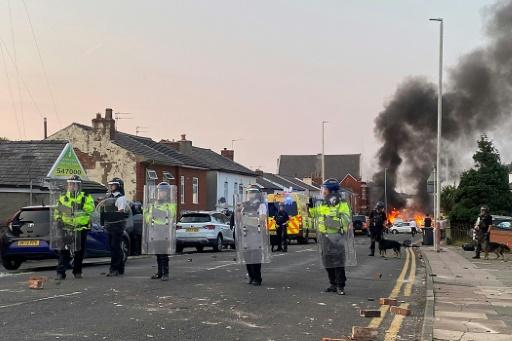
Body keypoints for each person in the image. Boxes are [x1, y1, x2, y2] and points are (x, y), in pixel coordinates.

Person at [309, 178, 354, 295]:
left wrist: (330, 222)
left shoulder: (342, 203)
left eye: (325, 189)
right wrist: (309, 205)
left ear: (331, 191)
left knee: (338, 262)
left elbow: (346, 220)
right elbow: (314, 214)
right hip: (324, 236)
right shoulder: (323, 202)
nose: (323, 191)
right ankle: (333, 284)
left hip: (336, 236)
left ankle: (340, 285)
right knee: (326, 261)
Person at [53, 175, 95, 280]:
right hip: (66, 228)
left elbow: (91, 209)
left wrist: (81, 205)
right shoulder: (63, 197)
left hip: (81, 228)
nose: (71, 186)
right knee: (64, 251)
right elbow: (58, 210)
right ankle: (60, 273)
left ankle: (77, 271)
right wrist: (58, 219)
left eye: (73, 184)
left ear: (78, 185)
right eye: (70, 184)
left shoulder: (85, 196)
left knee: (79, 252)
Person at [235, 186, 270, 286]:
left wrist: (251, 219)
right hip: (246, 233)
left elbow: (262, 219)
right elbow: (238, 219)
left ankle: (257, 278)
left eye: (252, 193)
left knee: (255, 256)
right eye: (249, 193)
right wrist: (237, 211)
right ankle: (251, 276)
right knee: (247, 256)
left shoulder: (261, 205)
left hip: (256, 233)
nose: (250, 195)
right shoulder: (244, 205)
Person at [144, 182, 177, 281]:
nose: (161, 194)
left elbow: (172, 215)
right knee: (158, 253)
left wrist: (159, 213)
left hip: (165, 231)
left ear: (167, 193)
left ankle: (165, 273)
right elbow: (147, 217)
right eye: (159, 192)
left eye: (163, 192)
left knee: (163, 253)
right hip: (155, 231)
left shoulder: (170, 204)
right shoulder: (152, 204)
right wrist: (149, 216)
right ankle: (159, 272)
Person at [101, 177, 129, 277]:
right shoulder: (109, 197)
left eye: (113, 185)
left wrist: (110, 215)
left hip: (117, 225)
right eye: (110, 185)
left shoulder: (120, 198)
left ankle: (114, 268)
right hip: (110, 225)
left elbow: (120, 212)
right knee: (113, 247)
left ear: (118, 186)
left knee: (115, 247)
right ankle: (120, 268)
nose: (110, 186)